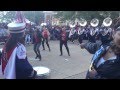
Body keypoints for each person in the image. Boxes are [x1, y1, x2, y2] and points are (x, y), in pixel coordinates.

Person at [1, 11, 37, 79]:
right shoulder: (19, 47)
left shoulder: (7, 45)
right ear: (21, 34)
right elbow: (23, 67)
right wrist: (33, 72)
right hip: (16, 75)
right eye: (24, 32)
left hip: (7, 74)